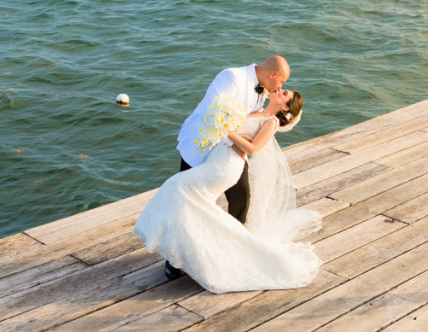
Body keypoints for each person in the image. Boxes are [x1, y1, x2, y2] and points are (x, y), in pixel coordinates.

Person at [133, 89, 320, 293]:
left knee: (176, 187)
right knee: (195, 205)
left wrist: (226, 131)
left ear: (285, 107)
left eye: (284, 93)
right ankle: (185, 255)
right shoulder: (257, 110)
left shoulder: (271, 121)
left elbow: (252, 149)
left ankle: (179, 253)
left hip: (226, 166)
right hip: (217, 159)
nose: (279, 90)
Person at [167, 56, 289, 279]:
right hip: (201, 146)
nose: (280, 88)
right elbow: (211, 114)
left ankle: (232, 249)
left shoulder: (262, 92)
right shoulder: (232, 77)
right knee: (188, 201)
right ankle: (175, 259)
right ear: (273, 75)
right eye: (280, 83)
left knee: (241, 197)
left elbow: (247, 121)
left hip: (231, 152)